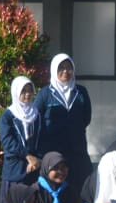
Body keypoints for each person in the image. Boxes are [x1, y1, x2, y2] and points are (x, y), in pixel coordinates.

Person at [33, 53, 93, 184]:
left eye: (69, 67)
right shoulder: (45, 93)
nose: (65, 71)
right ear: (54, 70)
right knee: (56, 187)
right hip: (53, 152)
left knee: (79, 185)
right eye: (61, 68)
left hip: (77, 150)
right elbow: (36, 120)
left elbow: (86, 118)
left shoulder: (81, 92)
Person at [0, 75, 40, 203]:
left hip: (33, 170)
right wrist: (28, 156)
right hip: (15, 170)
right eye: (23, 91)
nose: (27, 94)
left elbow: (41, 138)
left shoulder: (36, 114)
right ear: (16, 92)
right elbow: (8, 143)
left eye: (30, 90)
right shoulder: (8, 116)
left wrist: (37, 159)